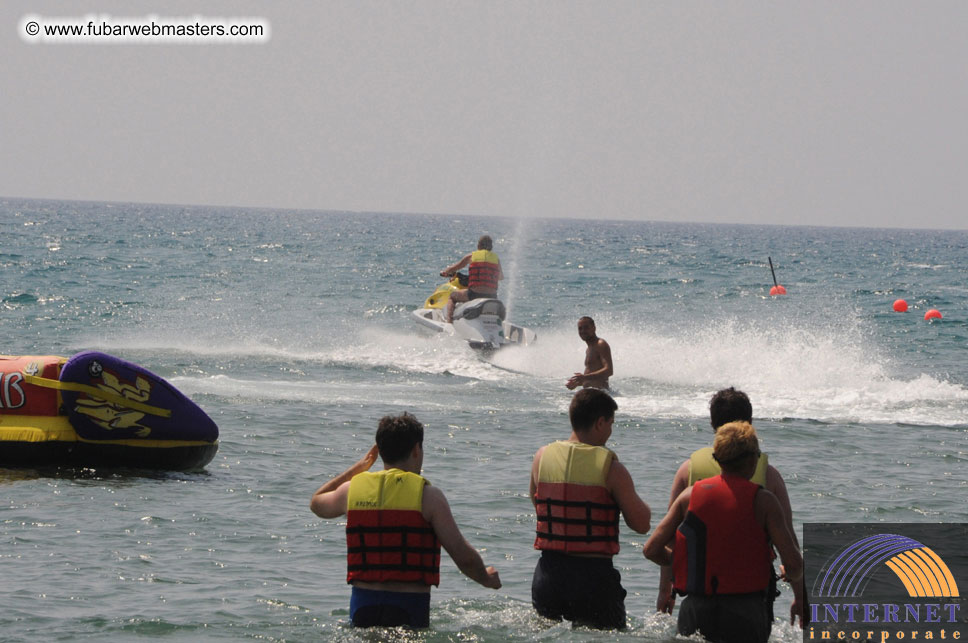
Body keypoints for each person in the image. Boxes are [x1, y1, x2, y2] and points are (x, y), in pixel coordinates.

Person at [310, 412, 501, 628]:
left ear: (380, 451)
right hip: (408, 609)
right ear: (416, 450)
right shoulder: (429, 497)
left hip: (363, 608)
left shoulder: (351, 491)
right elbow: (462, 555)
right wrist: (485, 578)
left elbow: (316, 503)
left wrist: (359, 468)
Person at [654, 387, 803, 625]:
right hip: (750, 601)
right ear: (750, 424)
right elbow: (789, 543)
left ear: (713, 425)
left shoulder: (688, 471)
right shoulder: (768, 475)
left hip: (698, 598)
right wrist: (800, 596)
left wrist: (666, 591)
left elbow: (669, 540)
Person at [529, 389, 651, 629]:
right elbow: (641, 524)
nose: (611, 431)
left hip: (548, 576)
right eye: (611, 424)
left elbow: (539, 505)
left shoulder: (542, 458)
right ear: (599, 423)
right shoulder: (612, 469)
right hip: (593, 579)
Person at [439, 235, 504, 323]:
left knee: (452, 297)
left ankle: (449, 322)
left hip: (474, 294)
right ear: (491, 247)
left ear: (478, 246)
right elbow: (501, 277)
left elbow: (455, 267)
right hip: (492, 296)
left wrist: (445, 272)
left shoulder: (471, 256)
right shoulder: (496, 259)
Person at [565, 316, 613, 390]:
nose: (583, 331)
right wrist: (578, 383)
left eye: (586, 327)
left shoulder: (600, 344)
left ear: (594, 328)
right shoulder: (589, 349)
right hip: (591, 394)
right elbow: (593, 379)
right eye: (580, 328)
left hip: (601, 395)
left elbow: (609, 370)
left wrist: (584, 377)